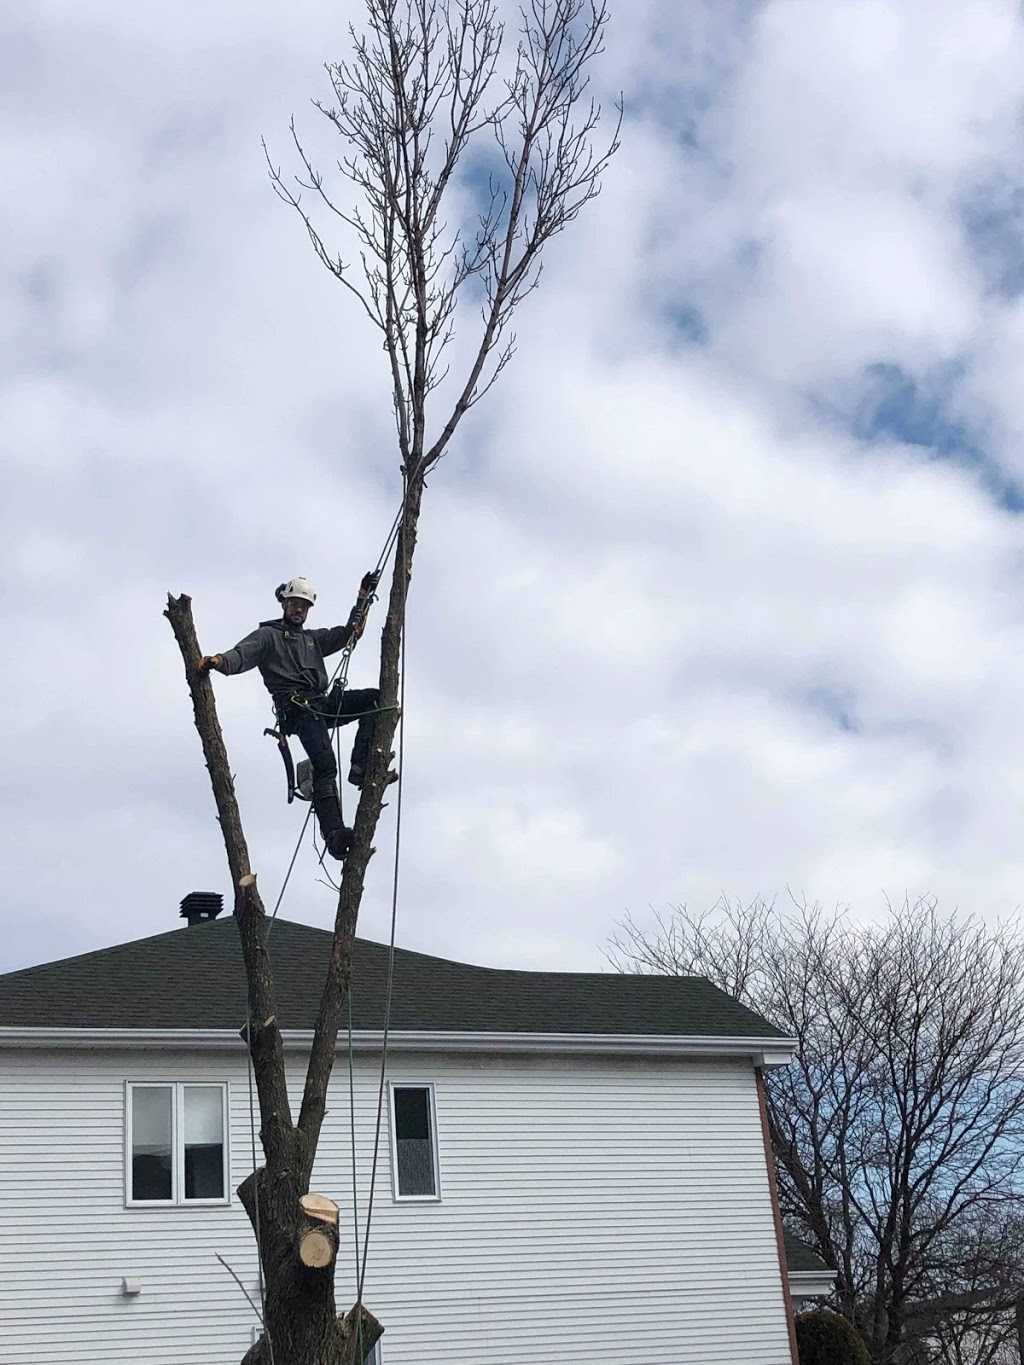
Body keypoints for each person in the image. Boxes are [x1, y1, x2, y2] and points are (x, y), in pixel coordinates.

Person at [199, 574, 392, 860]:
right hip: (299, 710)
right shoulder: (268, 637)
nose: (299, 609)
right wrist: (218, 661)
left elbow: (352, 632)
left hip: (322, 703)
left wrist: (363, 596)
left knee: (377, 700)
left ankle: (361, 766)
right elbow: (242, 654)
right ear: (284, 603)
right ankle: (334, 836)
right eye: (294, 603)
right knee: (325, 766)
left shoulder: (312, 639)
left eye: (304, 605)